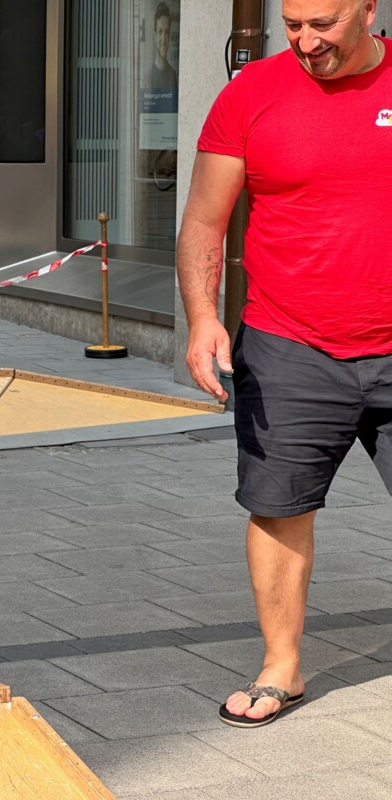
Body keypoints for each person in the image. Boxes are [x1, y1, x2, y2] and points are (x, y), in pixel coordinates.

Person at [178, 0, 390, 729]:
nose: (304, 41)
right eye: (290, 25)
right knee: (278, 509)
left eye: (321, 24)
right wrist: (204, 319)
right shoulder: (251, 94)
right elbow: (205, 218)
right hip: (289, 344)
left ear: (367, 9)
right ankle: (281, 668)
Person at [145, 3, 177, 90]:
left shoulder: (173, 75)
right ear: (155, 36)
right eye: (160, 31)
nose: (163, 39)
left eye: (166, 32)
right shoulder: (148, 77)